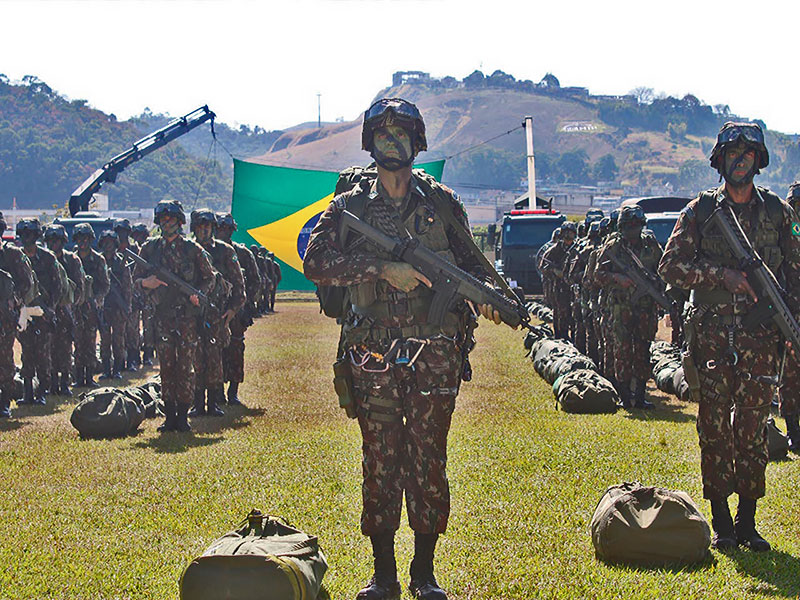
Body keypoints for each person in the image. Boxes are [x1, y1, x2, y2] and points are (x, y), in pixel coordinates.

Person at [304, 97, 502, 600]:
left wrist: (493, 299)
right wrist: (379, 268)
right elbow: (316, 262)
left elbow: (473, 264)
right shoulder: (350, 207)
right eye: (383, 135)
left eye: (402, 135)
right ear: (371, 142)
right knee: (381, 459)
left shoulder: (441, 203)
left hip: (435, 356)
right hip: (372, 356)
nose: (392, 143)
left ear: (417, 143)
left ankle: (425, 574)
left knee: (429, 458)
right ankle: (385, 575)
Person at [658, 121, 800, 552]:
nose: (741, 162)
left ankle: (748, 520)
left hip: (760, 339)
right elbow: (670, 268)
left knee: (754, 428)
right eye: (733, 155)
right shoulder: (700, 213)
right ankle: (721, 518)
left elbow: (795, 275)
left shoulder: (778, 213)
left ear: (759, 161)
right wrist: (722, 275)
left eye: (749, 155)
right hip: (713, 337)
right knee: (715, 426)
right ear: (720, 162)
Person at [133, 200, 215, 432]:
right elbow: (134, 280)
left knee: (185, 366)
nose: (166, 223)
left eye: (171, 219)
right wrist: (145, 283)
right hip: (162, 317)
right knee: (167, 367)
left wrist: (199, 295)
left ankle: (183, 416)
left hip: (187, 317)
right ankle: (169, 416)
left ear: (180, 222)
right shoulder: (150, 249)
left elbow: (210, 278)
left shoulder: (192, 249)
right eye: (163, 219)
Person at [593, 205, 663, 408]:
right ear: (622, 227)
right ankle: (625, 397)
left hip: (645, 307)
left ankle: (640, 397)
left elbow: (662, 268)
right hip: (620, 307)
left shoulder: (650, 244)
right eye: (629, 226)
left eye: (636, 226)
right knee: (622, 351)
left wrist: (657, 286)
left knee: (643, 349)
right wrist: (618, 278)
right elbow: (598, 275)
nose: (633, 231)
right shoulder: (613, 246)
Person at [188, 209, 245, 417]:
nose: (204, 230)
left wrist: (232, 310)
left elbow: (239, 284)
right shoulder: (187, 249)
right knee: (195, 358)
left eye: (208, 227)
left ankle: (213, 403)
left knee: (214, 359)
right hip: (191, 313)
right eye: (200, 227)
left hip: (217, 313)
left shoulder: (225, 251)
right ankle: (197, 403)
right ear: (194, 228)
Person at [16, 218, 64, 405]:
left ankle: (41, 393)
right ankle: (28, 393)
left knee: (43, 353)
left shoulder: (47, 258)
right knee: (27, 353)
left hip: (44, 312)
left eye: (31, 235)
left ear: (37, 236)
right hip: (23, 313)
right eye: (24, 235)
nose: (27, 239)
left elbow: (57, 286)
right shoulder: (16, 257)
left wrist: (49, 309)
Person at [216, 213, 262, 405]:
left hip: (236, 311)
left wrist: (243, 304)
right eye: (220, 229)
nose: (223, 232)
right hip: (214, 310)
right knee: (213, 351)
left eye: (226, 229)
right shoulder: (206, 252)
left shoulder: (242, 254)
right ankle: (216, 392)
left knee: (236, 349)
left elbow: (254, 281)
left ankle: (233, 392)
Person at [44, 224, 87, 395]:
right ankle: (52, 382)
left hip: (67, 310)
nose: (54, 244)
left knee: (66, 347)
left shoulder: (72, 260)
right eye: (51, 241)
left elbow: (79, 287)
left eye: (57, 241)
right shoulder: (44, 259)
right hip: (47, 310)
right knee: (49, 347)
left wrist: (71, 306)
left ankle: (64, 382)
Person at [0, 212, 35, 417]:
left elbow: (26, 282)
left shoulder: (11, 254)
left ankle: (4, 400)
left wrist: (14, 301)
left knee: (4, 359)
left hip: (4, 316)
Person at [72, 223, 110, 388]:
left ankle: (89, 377)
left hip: (92, 306)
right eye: (80, 239)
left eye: (86, 239)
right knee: (77, 342)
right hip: (75, 306)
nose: (83, 242)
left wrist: (98, 298)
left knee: (90, 341)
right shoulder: (71, 259)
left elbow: (105, 284)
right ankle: (78, 377)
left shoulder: (98, 259)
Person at [98, 230, 132, 380]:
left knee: (118, 339)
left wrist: (127, 305)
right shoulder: (98, 261)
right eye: (105, 244)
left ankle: (117, 369)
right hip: (103, 306)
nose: (108, 247)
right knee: (105, 339)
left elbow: (127, 286)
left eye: (111, 244)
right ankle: (106, 369)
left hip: (118, 307)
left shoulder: (121, 263)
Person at [540, 221, 577, 340]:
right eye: (566, 235)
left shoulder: (576, 249)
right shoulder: (554, 250)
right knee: (560, 312)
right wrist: (554, 271)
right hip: (559, 287)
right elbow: (543, 266)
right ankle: (561, 336)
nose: (568, 238)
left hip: (574, 286)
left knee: (574, 314)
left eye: (570, 235)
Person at [115, 219, 141, 372]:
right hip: (117, 296)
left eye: (124, 232)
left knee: (133, 330)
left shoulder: (135, 249)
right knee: (119, 331)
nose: (122, 235)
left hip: (133, 295)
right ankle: (120, 361)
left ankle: (133, 359)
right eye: (119, 232)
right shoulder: (112, 249)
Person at [130, 223, 156, 366]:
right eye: (137, 236)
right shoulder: (131, 250)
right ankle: (134, 356)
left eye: (141, 236)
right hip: (134, 291)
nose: (139, 238)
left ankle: (147, 354)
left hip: (148, 293)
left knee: (149, 325)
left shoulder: (151, 250)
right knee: (133, 326)